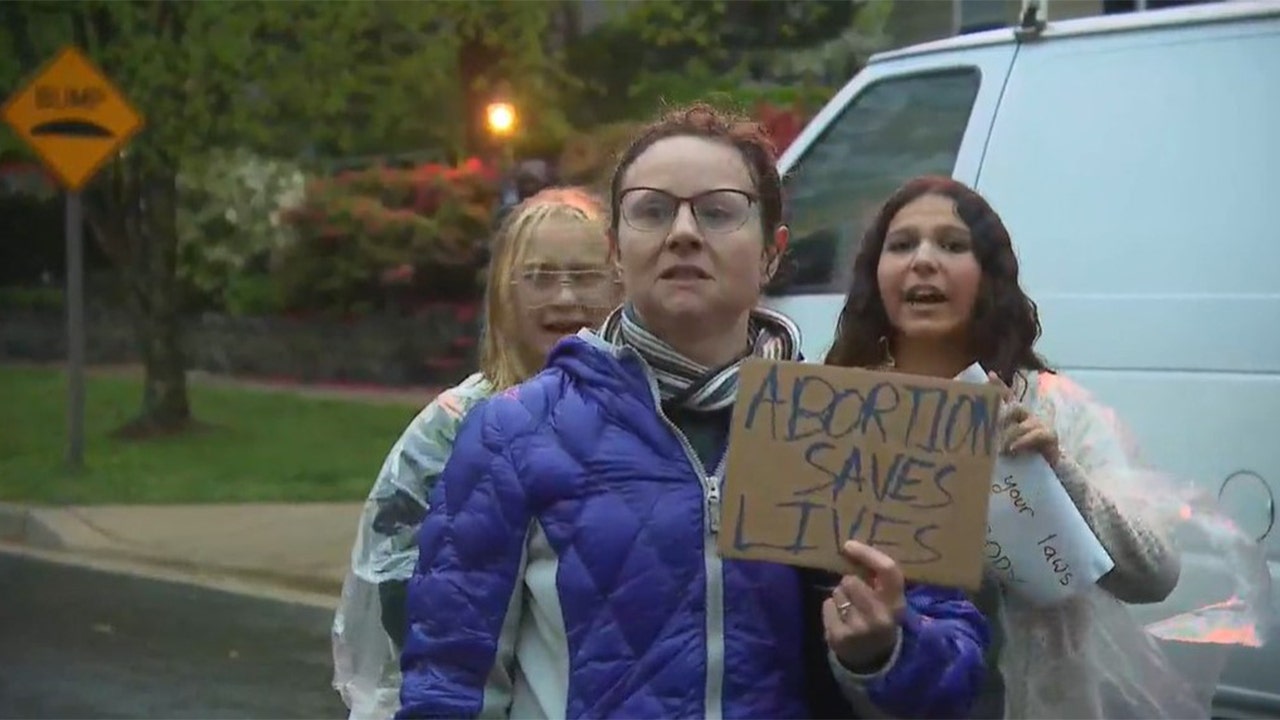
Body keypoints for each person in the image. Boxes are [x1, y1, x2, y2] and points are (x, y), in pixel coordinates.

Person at [396, 106, 990, 719]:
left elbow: (957, 673)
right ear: (616, 252)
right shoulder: (513, 432)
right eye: (652, 210)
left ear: (771, 252)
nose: (683, 232)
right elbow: (447, 682)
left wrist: (886, 650)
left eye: (717, 210)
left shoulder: (860, 430)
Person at [823, 174, 1271, 718]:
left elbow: (1156, 574)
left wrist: (1058, 476)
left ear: (989, 276)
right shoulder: (836, 412)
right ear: (876, 273)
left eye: (952, 244)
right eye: (901, 244)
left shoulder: (1055, 408)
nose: (923, 260)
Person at [332, 187, 623, 720]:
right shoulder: (451, 429)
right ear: (504, 294)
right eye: (539, 276)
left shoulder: (651, 419)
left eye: (584, 276)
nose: (564, 298)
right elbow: (393, 585)